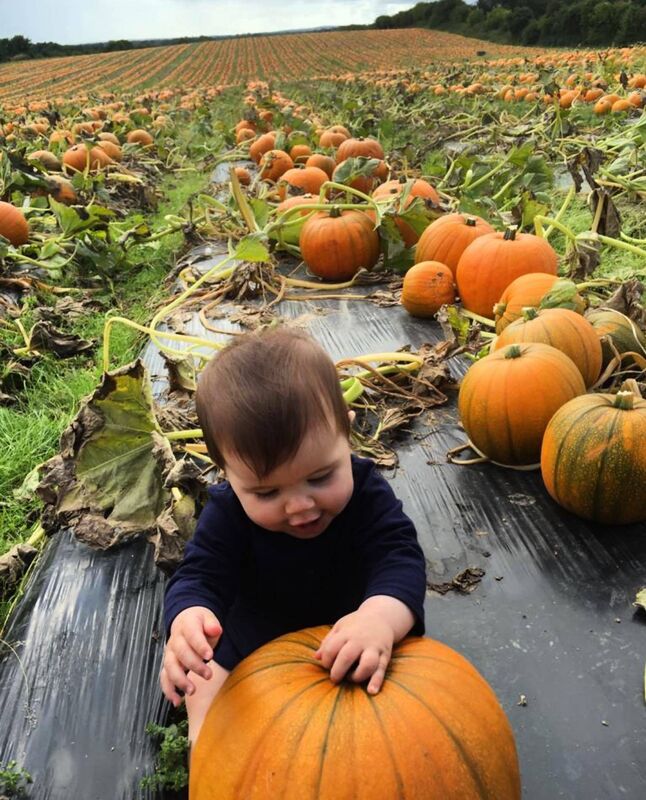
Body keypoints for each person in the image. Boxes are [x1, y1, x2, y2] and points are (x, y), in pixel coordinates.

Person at [160, 327, 427, 744]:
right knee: (205, 681)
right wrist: (188, 618)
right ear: (226, 473)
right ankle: (210, 758)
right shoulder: (228, 511)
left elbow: (399, 558)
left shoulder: (367, 492)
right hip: (257, 634)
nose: (300, 506)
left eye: (320, 477)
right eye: (267, 492)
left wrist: (379, 617)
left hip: (352, 625)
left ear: (347, 434)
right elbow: (199, 575)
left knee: (409, 705)